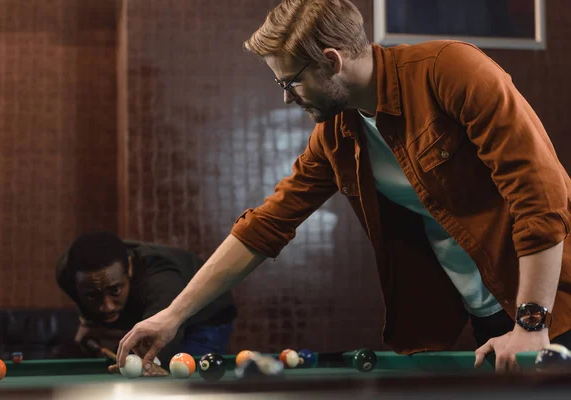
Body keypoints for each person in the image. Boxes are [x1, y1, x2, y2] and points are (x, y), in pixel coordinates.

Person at [116, 0, 571, 373]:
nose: (285, 96)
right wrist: (171, 315)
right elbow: (264, 226)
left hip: (552, 303)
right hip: (488, 314)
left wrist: (532, 321)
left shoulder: (450, 71)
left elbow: (541, 197)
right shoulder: (336, 135)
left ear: (331, 62)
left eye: (290, 82)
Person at [55, 232, 237, 371]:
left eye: (115, 290)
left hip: (206, 315)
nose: (107, 306)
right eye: (92, 295)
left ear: (130, 268)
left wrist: (148, 365)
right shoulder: (66, 274)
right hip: (155, 308)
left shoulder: (160, 282)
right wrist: (88, 320)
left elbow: (162, 337)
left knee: (179, 375)